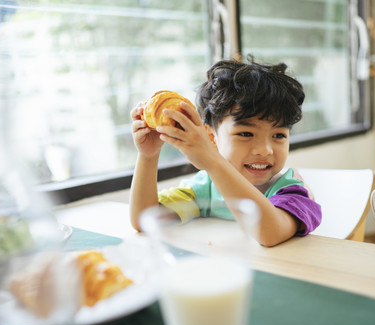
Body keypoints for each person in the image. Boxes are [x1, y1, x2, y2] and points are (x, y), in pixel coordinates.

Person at [129, 58, 321, 247]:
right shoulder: (206, 187)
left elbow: (270, 234)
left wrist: (212, 161)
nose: (265, 150)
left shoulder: (292, 191)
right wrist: (148, 157)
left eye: (279, 135)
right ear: (212, 138)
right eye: (246, 133)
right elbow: (143, 220)